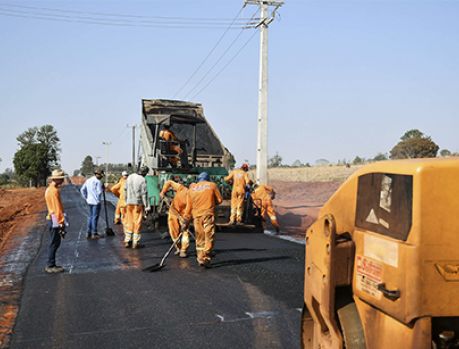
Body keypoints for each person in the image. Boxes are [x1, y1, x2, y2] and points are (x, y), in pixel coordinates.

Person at [185, 172, 223, 267]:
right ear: (207, 178)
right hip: (208, 214)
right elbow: (220, 200)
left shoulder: (191, 189)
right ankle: (206, 255)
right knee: (209, 235)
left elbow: (189, 207)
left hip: (196, 216)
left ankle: (200, 258)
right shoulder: (212, 185)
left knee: (199, 237)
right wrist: (212, 202)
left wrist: (186, 219)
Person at [160, 177, 190, 258]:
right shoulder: (181, 188)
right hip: (173, 211)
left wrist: (186, 221)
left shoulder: (192, 199)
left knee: (185, 232)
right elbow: (169, 182)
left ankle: (183, 250)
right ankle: (178, 248)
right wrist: (163, 192)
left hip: (184, 215)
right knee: (173, 231)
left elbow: (191, 211)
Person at [44, 169, 66, 273]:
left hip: (53, 217)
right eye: (61, 179)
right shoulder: (53, 191)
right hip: (54, 218)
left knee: (55, 242)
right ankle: (50, 265)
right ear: (56, 179)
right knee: (54, 242)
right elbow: (56, 208)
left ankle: (51, 263)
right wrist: (61, 223)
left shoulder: (51, 189)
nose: (62, 181)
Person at [124, 166, 151, 248]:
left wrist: (126, 200)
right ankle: (135, 242)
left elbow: (125, 189)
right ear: (145, 173)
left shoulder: (130, 177)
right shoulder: (142, 180)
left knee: (129, 221)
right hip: (137, 204)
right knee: (137, 222)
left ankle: (127, 240)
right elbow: (144, 194)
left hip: (129, 203)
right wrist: (146, 206)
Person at [80, 168, 104, 239]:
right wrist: (102, 189)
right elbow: (99, 192)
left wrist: (86, 198)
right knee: (95, 218)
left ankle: (88, 232)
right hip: (96, 202)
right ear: (98, 174)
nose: (102, 177)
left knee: (90, 217)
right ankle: (94, 233)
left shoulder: (88, 180)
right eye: (101, 175)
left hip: (89, 201)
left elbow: (82, 189)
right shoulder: (98, 182)